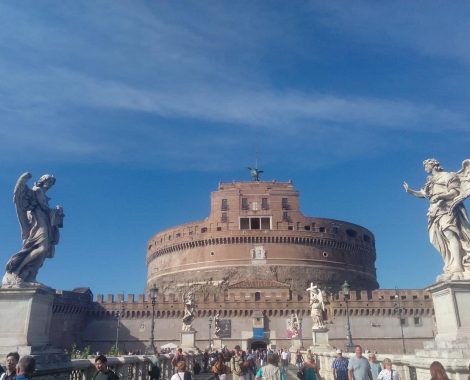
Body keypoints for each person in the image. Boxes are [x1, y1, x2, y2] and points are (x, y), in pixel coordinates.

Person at [404, 159, 470, 278]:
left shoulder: (448, 176)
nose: (425, 169)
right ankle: (450, 264)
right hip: (434, 211)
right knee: (438, 238)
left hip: (448, 207)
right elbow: (425, 195)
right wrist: (410, 191)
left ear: (433, 165)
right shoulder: (430, 181)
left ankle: (458, 266)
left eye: (426, 166)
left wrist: (441, 196)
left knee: (450, 234)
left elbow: (455, 192)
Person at [3, 173, 65, 287]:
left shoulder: (43, 194)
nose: (49, 184)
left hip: (44, 219)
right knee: (42, 248)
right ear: (42, 180)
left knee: (44, 251)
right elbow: (42, 207)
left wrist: (56, 212)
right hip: (38, 219)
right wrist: (55, 211)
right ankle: (15, 272)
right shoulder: (37, 190)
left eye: (51, 183)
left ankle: (31, 276)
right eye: (48, 181)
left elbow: (45, 208)